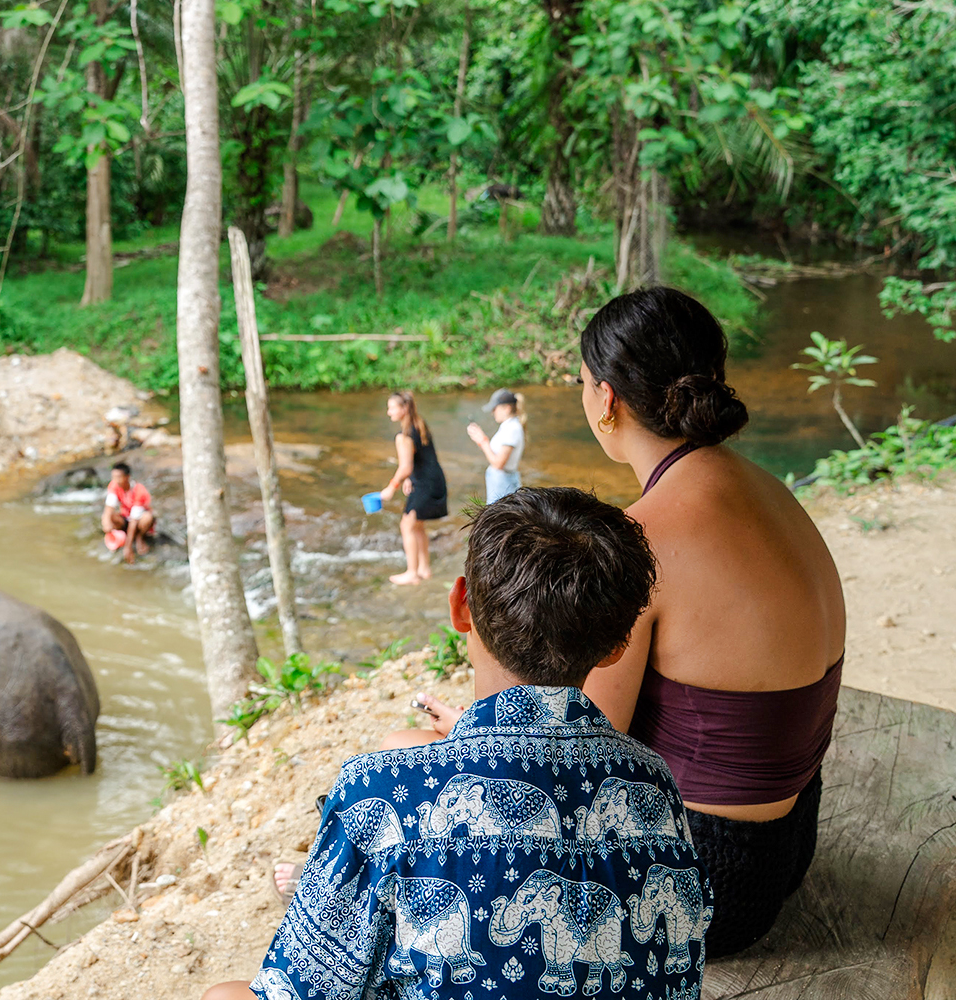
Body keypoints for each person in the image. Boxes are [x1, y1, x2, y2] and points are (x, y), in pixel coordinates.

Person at [420, 287, 844, 959]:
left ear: (607, 398)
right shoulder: (767, 488)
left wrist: (475, 736)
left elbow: (581, 748)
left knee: (442, 780)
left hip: (705, 884)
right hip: (788, 837)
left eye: (584, 383)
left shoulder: (644, 536)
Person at [205, 488, 713, 1000]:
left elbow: (302, 990)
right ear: (617, 646)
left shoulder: (380, 788)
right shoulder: (653, 779)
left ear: (460, 606)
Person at [378, 390, 448, 585]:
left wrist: (391, 487)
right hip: (435, 481)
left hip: (424, 485)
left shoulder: (403, 436)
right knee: (418, 526)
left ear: (404, 408)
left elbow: (406, 466)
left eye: (392, 407)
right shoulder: (420, 425)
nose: (388, 412)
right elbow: (420, 459)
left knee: (406, 525)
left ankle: (412, 573)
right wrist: (410, 478)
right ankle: (424, 569)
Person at [467, 388, 526, 503]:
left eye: (494, 408)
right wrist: (480, 439)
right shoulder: (508, 426)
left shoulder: (512, 429)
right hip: (502, 483)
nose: (492, 412)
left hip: (504, 485)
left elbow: (498, 463)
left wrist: (483, 441)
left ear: (507, 408)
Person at [102, 462, 155, 564]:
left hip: (138, 521)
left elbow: (134, 520)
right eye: (114, 477)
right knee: (109, 517)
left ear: (127, 477)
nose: (116, 480)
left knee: (147, 517)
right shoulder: (114, 485)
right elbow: (109, 507)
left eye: (119, 477)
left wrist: (128, 547)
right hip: (126, 517)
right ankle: (120, 536)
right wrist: (106, 524)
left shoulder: (139, 490)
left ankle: (139, 537)